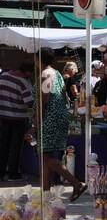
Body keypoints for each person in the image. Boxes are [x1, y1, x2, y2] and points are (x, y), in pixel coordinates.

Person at [39, 53, 84, 198]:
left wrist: (36, 121)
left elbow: (44, 99)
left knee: (45, 157)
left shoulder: (46, 74)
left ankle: (76, 183)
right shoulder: (57, 74)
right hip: (59, 117)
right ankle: (45, 194)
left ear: (38, 59)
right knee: (46, 156)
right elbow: (64, 95)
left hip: (49, 119)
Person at [0, 62, 33, 181]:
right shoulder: (23, 82)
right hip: (18, 118)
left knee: (3, 145)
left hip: (3, 116)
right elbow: (29, 102)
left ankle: (1, 172)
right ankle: (13, 173)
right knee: (15, 147)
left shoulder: (3, 76)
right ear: (27, 72)